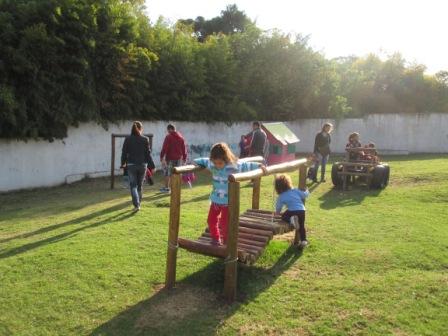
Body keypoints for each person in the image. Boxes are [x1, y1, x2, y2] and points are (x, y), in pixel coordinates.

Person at [194, 143, 266, 246]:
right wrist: (195, 163)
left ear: (226, 159)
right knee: (211, 221)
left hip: (227, 202)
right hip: (215, 200)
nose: (217, 166)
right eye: (215, 163)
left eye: (220, 163)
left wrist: (259, 165)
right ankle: (215, 239)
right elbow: (202, 161)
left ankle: (226, 241)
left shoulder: (233, 166)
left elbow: (246, 165)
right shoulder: (212, 164)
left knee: (224, 223)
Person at [121, 121, 153, 211]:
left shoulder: (128, 139)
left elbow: (124, 153)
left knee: (133, 186)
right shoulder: (145, 139)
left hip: (131, 165)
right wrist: (152, 166)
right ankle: (139, 204)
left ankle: (137, 205)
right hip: (143, 165)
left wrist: (123, 164)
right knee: (140, 186)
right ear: (141, 128)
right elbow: (148, 154)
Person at [275, 174, 309, 248]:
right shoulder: (295, 190)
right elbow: (304, 195)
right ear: (288, 183)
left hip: (292, 211)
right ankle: (304, 241)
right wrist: (307, 190)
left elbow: (279, 207)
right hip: (302, 210)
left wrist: (277, 213)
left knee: (284, 216)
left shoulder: (281, 196)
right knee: (302, 226)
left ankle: (291, 219)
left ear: (277, 187)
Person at [160, 124, 187, 193]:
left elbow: (164, 148)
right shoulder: (181, 137)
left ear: (170, 129)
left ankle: (167, 188)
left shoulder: (168, 137)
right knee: (177, 173)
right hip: (178, 158)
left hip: (170, 158)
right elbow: (184, 149)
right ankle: (176, 188)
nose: (168, 132)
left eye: (168, 130)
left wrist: (161, 157)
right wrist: (184, 158)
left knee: (167, 173)